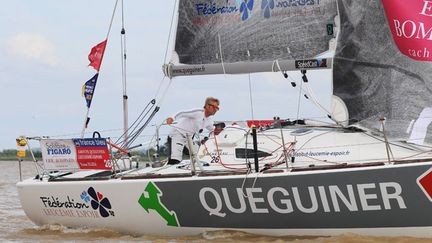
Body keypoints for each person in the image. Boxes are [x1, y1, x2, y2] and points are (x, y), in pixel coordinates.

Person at [166, 97, 220, 165]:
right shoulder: (198, 112)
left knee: (199, 154)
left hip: (189, 139)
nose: (216, 110)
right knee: (175, 160)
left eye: (217, 108)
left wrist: (219, 131)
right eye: (215, 107)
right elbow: (182, 113)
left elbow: (213, 130)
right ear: (208, 106)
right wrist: (172, 118)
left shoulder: (209, 120)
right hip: (177, 135)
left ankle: (194, 170)